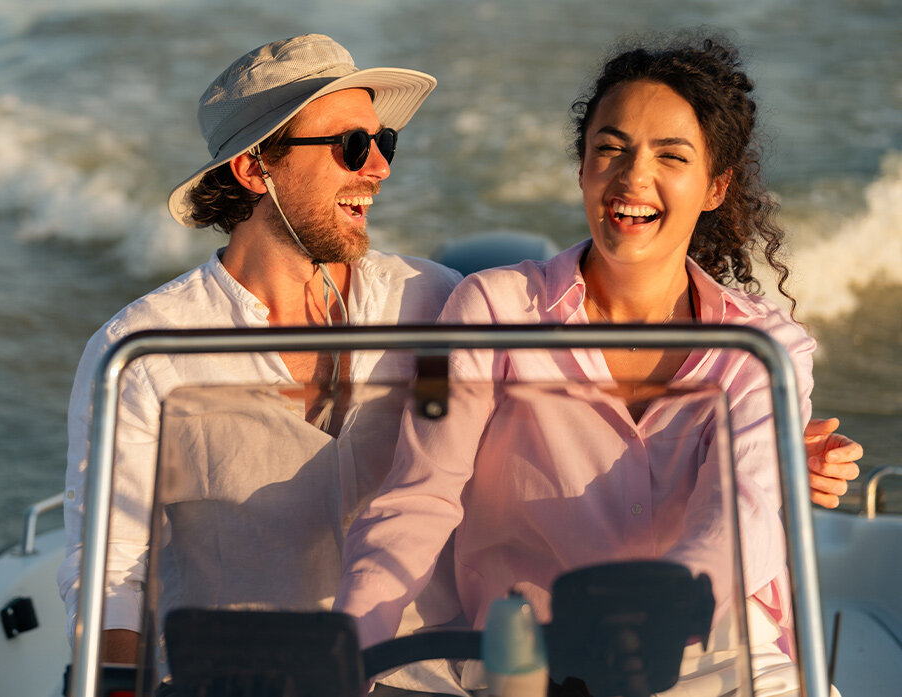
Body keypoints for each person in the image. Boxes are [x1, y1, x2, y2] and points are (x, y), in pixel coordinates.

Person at [335, 35, 849, 696]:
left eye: (671, 155)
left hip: (710, 648)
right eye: (610, 149)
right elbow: (419, 498)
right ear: (582, 168)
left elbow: (740, 510)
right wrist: (350, 651)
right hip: (529, 652)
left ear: (716, 185)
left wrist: (653, 615)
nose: (633, 177)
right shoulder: (491, 309)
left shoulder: (762, 347)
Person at [56, 34, 461, 664]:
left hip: (422, 669)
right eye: (351, 146)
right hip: (245, 675)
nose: (378, 169)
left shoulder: (435, 300)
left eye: (384, 142)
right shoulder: (144, 351)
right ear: (255, 169)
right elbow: (112, 568)